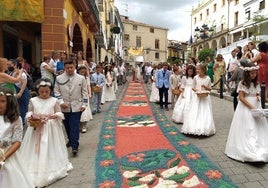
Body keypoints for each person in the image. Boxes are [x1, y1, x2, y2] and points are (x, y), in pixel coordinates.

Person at [20, 78, 73, 187]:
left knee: (49, 146)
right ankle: (35, 166)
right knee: (35, 147)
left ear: (50, 91)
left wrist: (53, 116)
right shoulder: (33, 100)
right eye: (41, 92)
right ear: (37, 91)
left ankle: (50, 165)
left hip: (50, 129)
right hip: (36, 127)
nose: (44, 94)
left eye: (47, 92)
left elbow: (59, 113)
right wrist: (32, 117)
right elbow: (29, 112)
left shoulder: (54, 100)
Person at [225, 63, 268, 162]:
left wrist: (258, 96)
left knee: (258, 126)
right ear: (247, 73)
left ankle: (259, 146)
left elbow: (257, 93)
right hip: (246, 107)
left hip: (256, 106)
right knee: (249, 127)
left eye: (255, 73)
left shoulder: (256, 83)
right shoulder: (242, 83)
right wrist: (251, 107)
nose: (254, 75)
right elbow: (241, 98)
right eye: (252, 73)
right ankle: (247, 148)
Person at [0, 86, 34, 188]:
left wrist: (3, 157)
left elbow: (17, 142)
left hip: (7, 155)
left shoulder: (15, 119)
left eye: (2, 101)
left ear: (9, 103)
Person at [54, 59, 88, 156]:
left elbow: (84, 92)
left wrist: (84, 104)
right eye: (67, 68)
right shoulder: (59, 78)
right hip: (64, 106)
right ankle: (70, 140)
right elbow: (56, 91)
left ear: (74, 67)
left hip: (77, 106)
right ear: (64, 68)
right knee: (67, 126)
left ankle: (75, 146)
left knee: (74, 126)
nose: (69, 69)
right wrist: (60, 102)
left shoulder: (81, 78)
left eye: (71, 67)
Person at [181, 63, 215, 136]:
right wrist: (197, 91)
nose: (197, 70)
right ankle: (192, 128)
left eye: (198, 69)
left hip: (205, 97)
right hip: (197, 96)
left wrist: (205, 88)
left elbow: (210, 89)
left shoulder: (208, 78)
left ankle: (205, 128)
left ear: (203, 70)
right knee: (195, 111)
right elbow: (192, 87)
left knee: (204, 111)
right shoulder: (196, 77)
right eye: (197, 69)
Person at [9, 59, 31, 125]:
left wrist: (20, 92)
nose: (8, 66)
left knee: (23, 107)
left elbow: (24, 83)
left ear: (15, 65)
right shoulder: (11, 73)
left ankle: (24, 122)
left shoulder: (22, 73)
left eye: (10, 65)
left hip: (22, 91)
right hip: (14, 91)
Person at [77, 65, 92, 133]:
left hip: (85, 96)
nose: (82, 73)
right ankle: (79, 125)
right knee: (78, 111)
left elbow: (88, 86)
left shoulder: (87, 78)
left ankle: (84, 125)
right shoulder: (76, 78)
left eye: (84, 72)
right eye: (81, 72)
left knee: (85, 111)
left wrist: (90, 93)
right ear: (78, 71)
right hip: (77, 96)